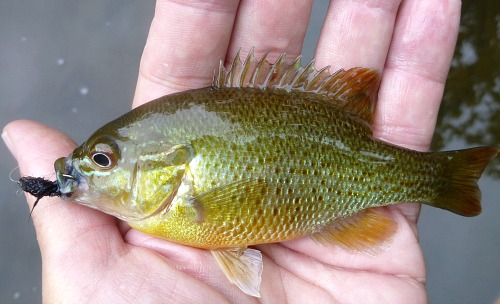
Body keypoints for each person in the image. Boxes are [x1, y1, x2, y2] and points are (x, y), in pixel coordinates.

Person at [2, 0, 460, 302]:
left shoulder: (172, 212)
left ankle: (439, 178)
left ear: (170, 165)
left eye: (104, 159)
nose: (90, 168)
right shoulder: (163, 212)